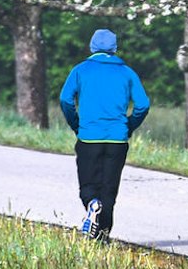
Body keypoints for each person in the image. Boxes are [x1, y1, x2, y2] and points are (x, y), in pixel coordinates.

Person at [58, 28, 150, 243]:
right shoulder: (127, 72)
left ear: (91, 48)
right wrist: (129, 125)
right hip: (117, 139)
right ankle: (102, 235)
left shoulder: (80, 70)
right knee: (109, 188)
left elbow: (65, 99)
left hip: (89, 137)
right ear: (115, 49)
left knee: (89, 186)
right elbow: (143, 104)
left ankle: (91, 204)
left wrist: (76, 123)